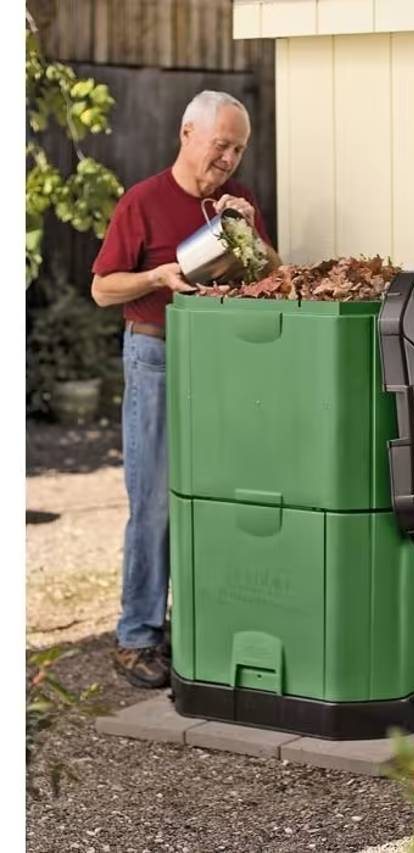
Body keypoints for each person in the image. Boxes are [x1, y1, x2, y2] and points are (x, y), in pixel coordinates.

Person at [91, 90, 280, 688]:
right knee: (155, 503)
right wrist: (155, 275)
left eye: (239, 149)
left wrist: (250, 234)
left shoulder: (238, 204)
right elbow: (101, 289)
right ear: (187, 134)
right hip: (159, 355)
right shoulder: (142, 202)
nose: (228, 158)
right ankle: (137, 637)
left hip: (224, 363)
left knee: (216, 500)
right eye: (221, 144)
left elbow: (274, 275)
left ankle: (197, 626)